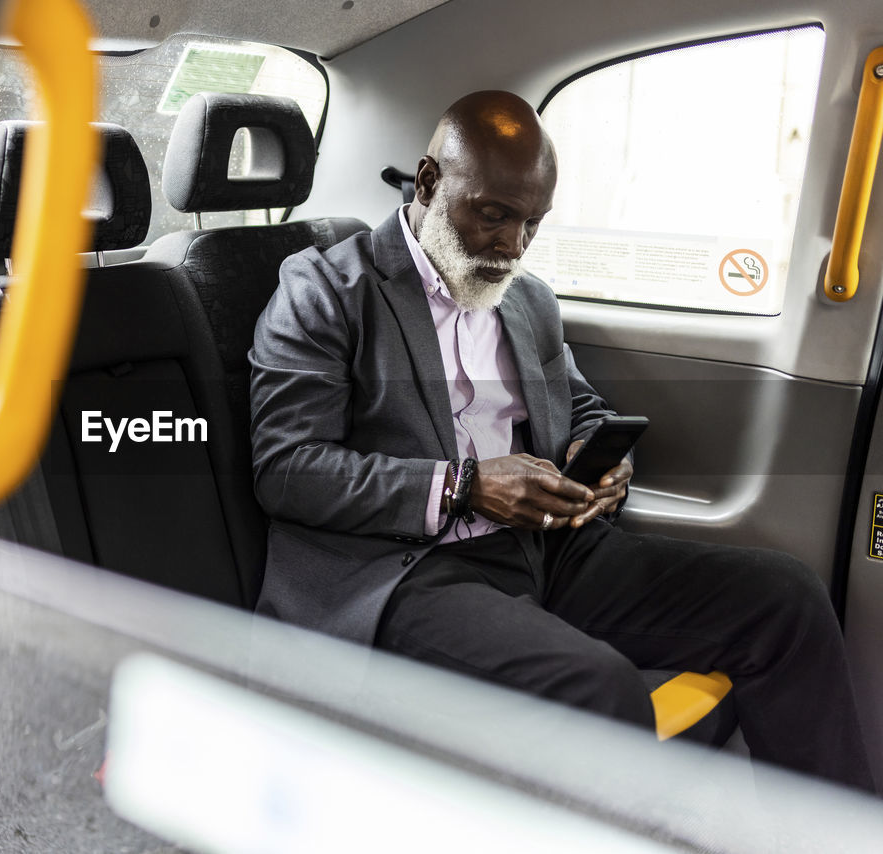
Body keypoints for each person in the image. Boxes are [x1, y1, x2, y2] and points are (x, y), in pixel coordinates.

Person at [248, 90, 875, 792]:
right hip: (402, 571)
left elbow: (579, 406)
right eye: (494, 215)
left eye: (531, 225)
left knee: (785, 598)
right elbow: (288, 468)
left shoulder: (528, 299)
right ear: (429, 182)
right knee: (599, 690)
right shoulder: (325, 291)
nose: (512, 245)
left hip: (546, 548)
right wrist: (466, 484)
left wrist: (603, 464)